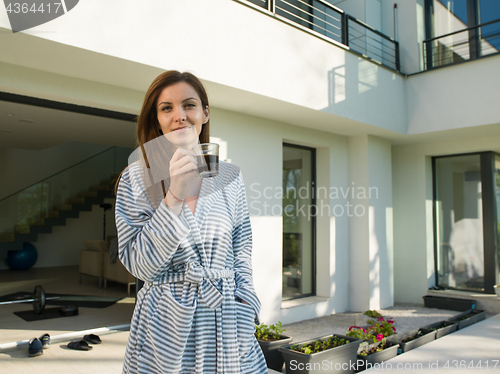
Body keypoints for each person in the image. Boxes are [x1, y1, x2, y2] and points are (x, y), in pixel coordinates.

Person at [115, 71, 268, 374]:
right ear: (156, 119)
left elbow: (242, 244)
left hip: (226, 317)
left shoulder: (229, 178)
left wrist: (246, 301)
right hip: (165, 326)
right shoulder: (135, 178)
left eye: (189, 105)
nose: (179, 116)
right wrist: (174, 194)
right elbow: (140, 265)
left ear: (204, 113)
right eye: (167, 108)